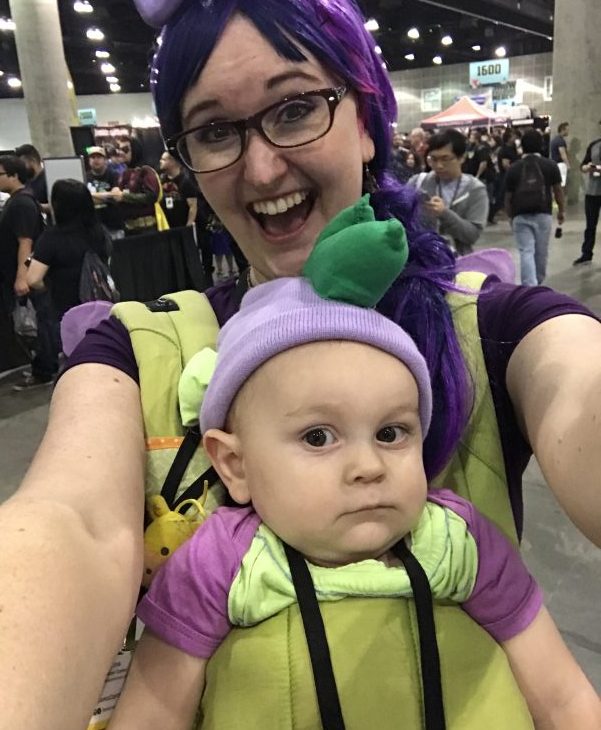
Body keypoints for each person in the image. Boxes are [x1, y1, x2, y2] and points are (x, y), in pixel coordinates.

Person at [3, 1, 601, 726]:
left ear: (363, 120)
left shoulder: (490, 325)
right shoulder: (142, 349)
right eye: (215, 130)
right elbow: (71, 523)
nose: (260, 166)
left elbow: (577, 387)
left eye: (293, 109)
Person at [109, 237, 601, 729]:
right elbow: (154, 710)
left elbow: (561, 697)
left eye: (392, 433)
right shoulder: (218, 565)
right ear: (235, 466)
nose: (368, 465)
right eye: (318, 437)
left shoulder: (459, 541)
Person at [0, 154, 59, 390]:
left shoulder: (22, 203)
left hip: (28, 275)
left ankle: (45, 369)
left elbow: (25, 242)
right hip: (21, 272)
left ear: (14, 175)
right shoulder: (20, 201)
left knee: (39, 323)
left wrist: (21, 276)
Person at [26, 179, 110, 321]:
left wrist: (48, 287)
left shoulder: (52, 237)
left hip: (66, 309)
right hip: (100, 303)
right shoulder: (99, 232)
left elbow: (33, 279)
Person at [407, 128, 489, 254]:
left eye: (445, 159)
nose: (439, 165)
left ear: (462, 158)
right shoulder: (418, 183)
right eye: (433, 159)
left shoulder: (475, 189)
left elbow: (472, 235)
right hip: (421, 260)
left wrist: (444, 213)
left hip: (459, 261)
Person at [505, 129, 564, 287]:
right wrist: (561, 212)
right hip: (543, 214)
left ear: (522, 146)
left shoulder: (514, 168)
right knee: (541, 252)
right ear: (542, 145)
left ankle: (529, 287)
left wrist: (510, 216)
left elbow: (508, 197)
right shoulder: (550, 165)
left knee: (526, 251)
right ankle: (537, 283)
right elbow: (558, 190)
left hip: (520, 215)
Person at [113, 137, 162, 236]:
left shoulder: (145, 171)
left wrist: (124, 196)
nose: (120, 152)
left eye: (125, 149)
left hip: (146, 229)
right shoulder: (123, 173)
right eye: (119, 149)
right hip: (129, 228)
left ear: (135, 150)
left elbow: (151, 196)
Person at [573, 123, 601, 266]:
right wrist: (587, 168)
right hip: (593, 190)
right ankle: (586, 253)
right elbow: (583, 165)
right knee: (590, 224)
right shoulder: (594, 145)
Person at [86, 146, 124, 240]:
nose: (96, 160)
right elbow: (84, 199)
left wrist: (92, 196)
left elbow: (116, 196)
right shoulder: (85, 177)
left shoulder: (114, 175)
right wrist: (108, 195)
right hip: (94, 227)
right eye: (93, 157)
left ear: (105, 160)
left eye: (99, 157)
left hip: (114, 225)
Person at [159, 151, 198, 229]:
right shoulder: (161, 179)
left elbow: (193, 206)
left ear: (172, 161)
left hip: (183, 224)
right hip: (167, 225)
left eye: (163, 159)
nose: (160, 161)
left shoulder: (185, 181)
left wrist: (189, 226)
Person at [15, 143, 49, 212]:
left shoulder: (48, 179)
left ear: (33, 161)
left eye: (22, 164)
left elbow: (56, 206)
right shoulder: (26, 181)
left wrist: (31, 206)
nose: (20, 168)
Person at [549, 122, 570, 188]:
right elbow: (563, 154)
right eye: (567, 130)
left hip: (555, 164)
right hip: (561, 165)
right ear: (563, 130)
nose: (568, 131)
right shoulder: (560, 141)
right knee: (561, 185)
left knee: (557, 185)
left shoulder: (554, 140)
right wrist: (568, 165)